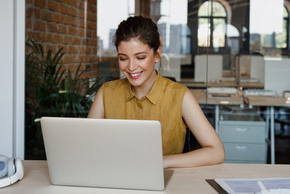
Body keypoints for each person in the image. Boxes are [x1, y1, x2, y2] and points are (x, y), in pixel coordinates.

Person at [88, 16, 225, 168]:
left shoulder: (180, 96)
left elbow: (216, 152)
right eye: (123, 58)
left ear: (157, 55)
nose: (131, 67)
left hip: (165, 182)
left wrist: (162, 162)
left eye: (140, 57)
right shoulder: (106, 93)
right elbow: (85, 148)